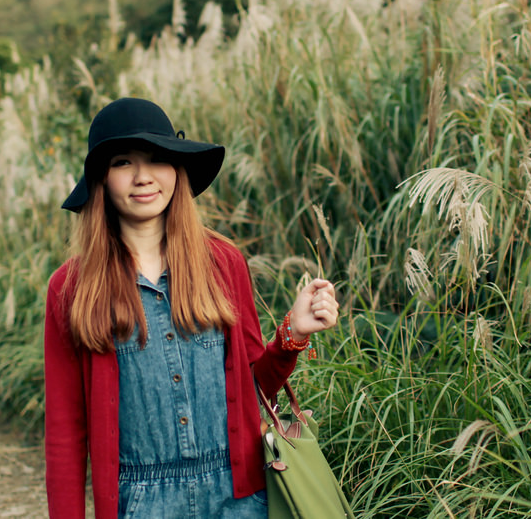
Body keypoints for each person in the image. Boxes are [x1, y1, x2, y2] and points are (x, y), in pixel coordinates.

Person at [44, 98, 339, 519]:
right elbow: (64, 431)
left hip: (238, 498)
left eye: (157, 158)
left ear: (176, 170)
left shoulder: (223, 263)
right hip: (141, 502)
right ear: (101, 180)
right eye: (123, 162)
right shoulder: (72, 288)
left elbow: (252, 388)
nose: (143, 176)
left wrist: (293, 334)